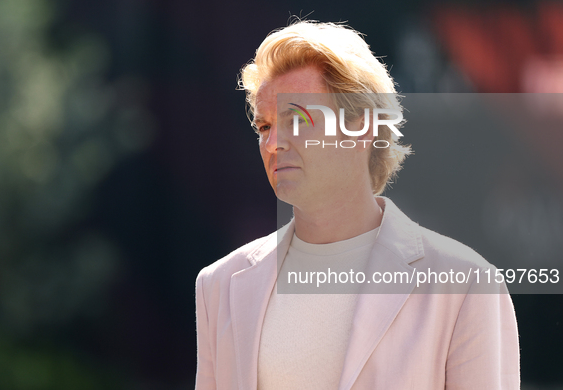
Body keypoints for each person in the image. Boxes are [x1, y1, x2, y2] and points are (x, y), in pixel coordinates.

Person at [195, 21, 520, 390]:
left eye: (297, 119)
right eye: (265, 126)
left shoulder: (467, 285)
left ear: (361, 127)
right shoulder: (220, 284)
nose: (272, 144)